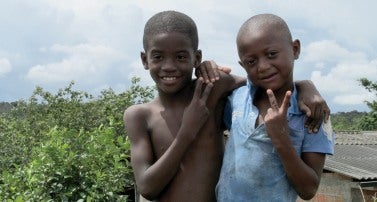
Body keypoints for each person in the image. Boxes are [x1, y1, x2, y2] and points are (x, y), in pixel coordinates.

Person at [124, 10, 329, 202]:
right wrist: (187, 131)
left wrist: (305, 86)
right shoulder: (139, 116)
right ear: (144, 59)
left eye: (180, 57)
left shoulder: (213, 90)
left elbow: (259, 80)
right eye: (158, 57)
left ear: (196, 58)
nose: (169, 66)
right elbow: (147, 188)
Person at [215, 14, 334, 202]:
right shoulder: (237, 99)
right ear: (242, 65)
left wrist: (281, 140)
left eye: (271, 54)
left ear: (295, 49)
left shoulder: (313, 113)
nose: (262, 67)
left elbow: (309, 190)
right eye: (251, 62)